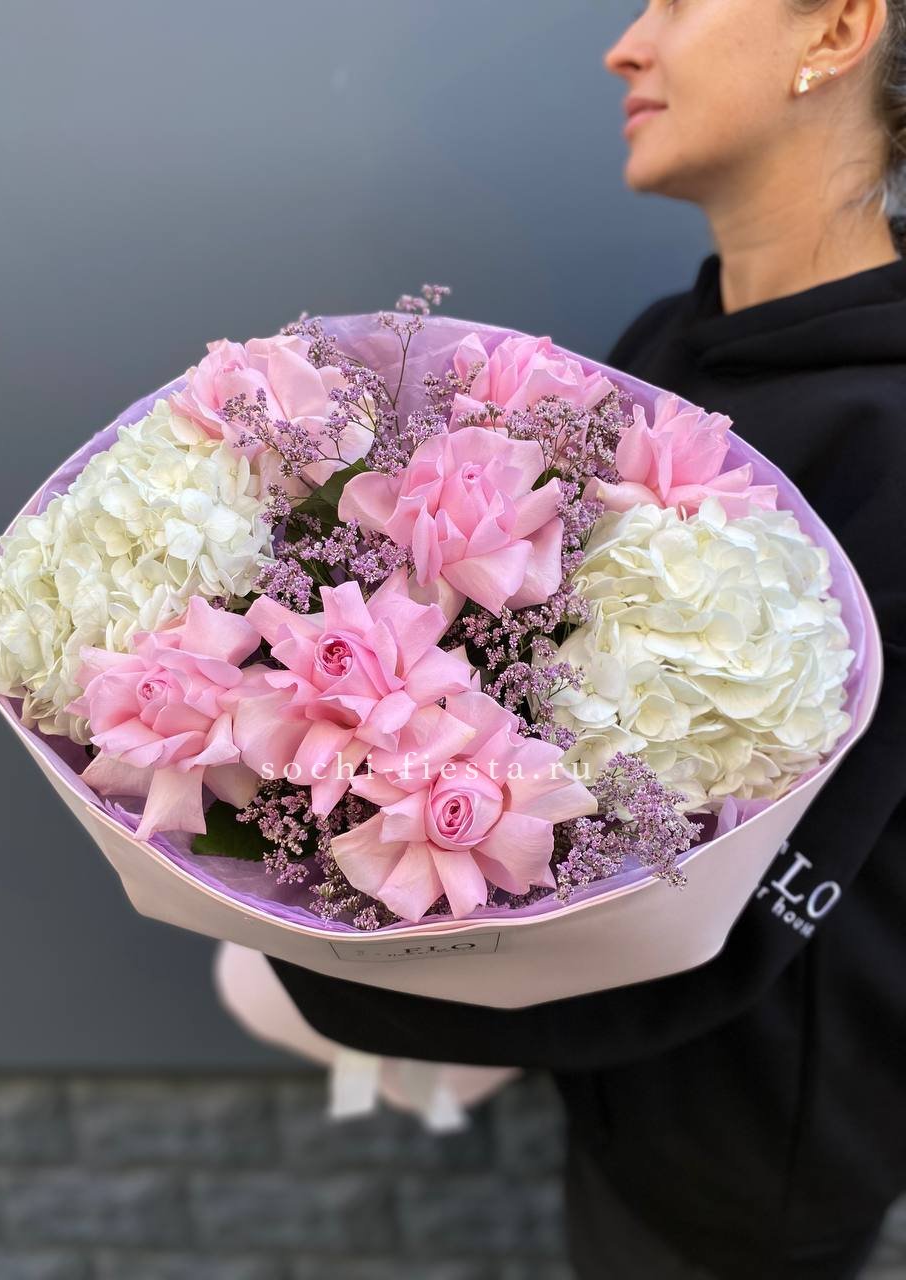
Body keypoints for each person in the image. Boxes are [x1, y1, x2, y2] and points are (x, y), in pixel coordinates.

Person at [267, 1, 906, 1275]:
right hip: (619, 1088)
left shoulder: (889, 431)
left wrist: (325, 952)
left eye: (680, 0)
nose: (627, 43)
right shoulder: (665, 350)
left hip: (756, 1154)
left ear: (837, 28)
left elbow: (746, 907)